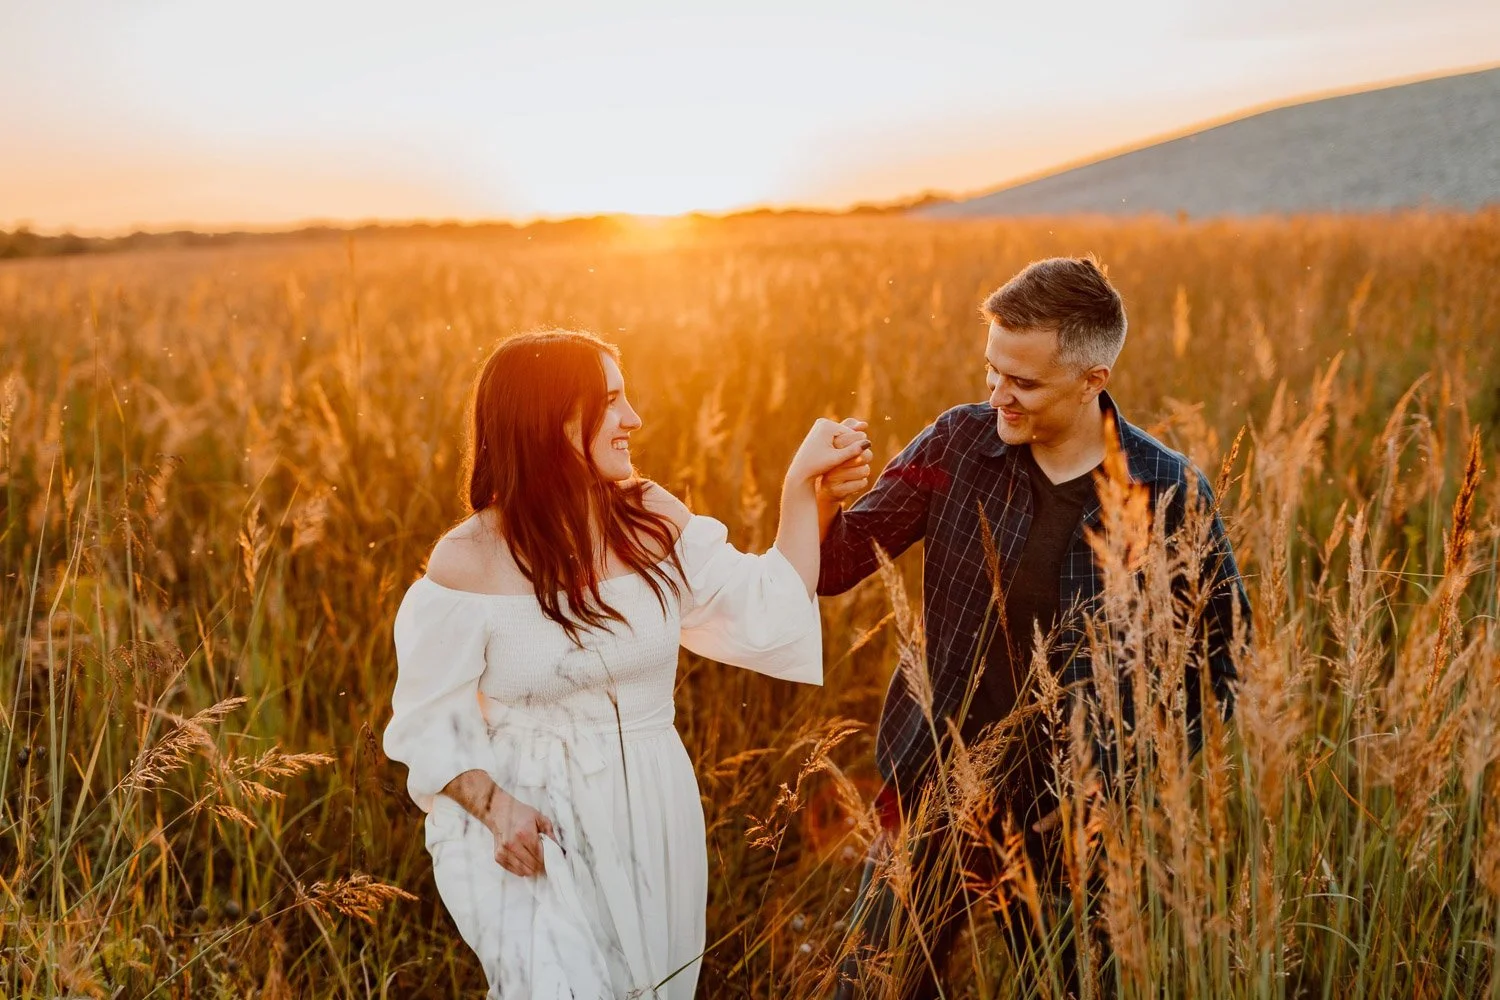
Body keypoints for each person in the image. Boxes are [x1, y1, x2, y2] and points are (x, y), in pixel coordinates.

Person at [382, 329, 872, 1000]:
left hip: (651, 800)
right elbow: (427, 723)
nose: (633, 419)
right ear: (546, 420)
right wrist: (497, 808)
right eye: (610, 401)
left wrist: (804, 489)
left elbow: (763, 608)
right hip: (530, 820)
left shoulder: (649, 519)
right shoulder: (467, 560)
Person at [816, 257, 1249, 998]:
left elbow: (1225, 658)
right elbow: (835, 565)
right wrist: (820, 495)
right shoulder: (957, 444)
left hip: (1074, 819)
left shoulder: (1168, 489)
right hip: (930, 784)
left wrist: (1133, 767)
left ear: (1093, 378)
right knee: (874, 986)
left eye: (1023, 384)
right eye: (992, 372)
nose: (998, 398)